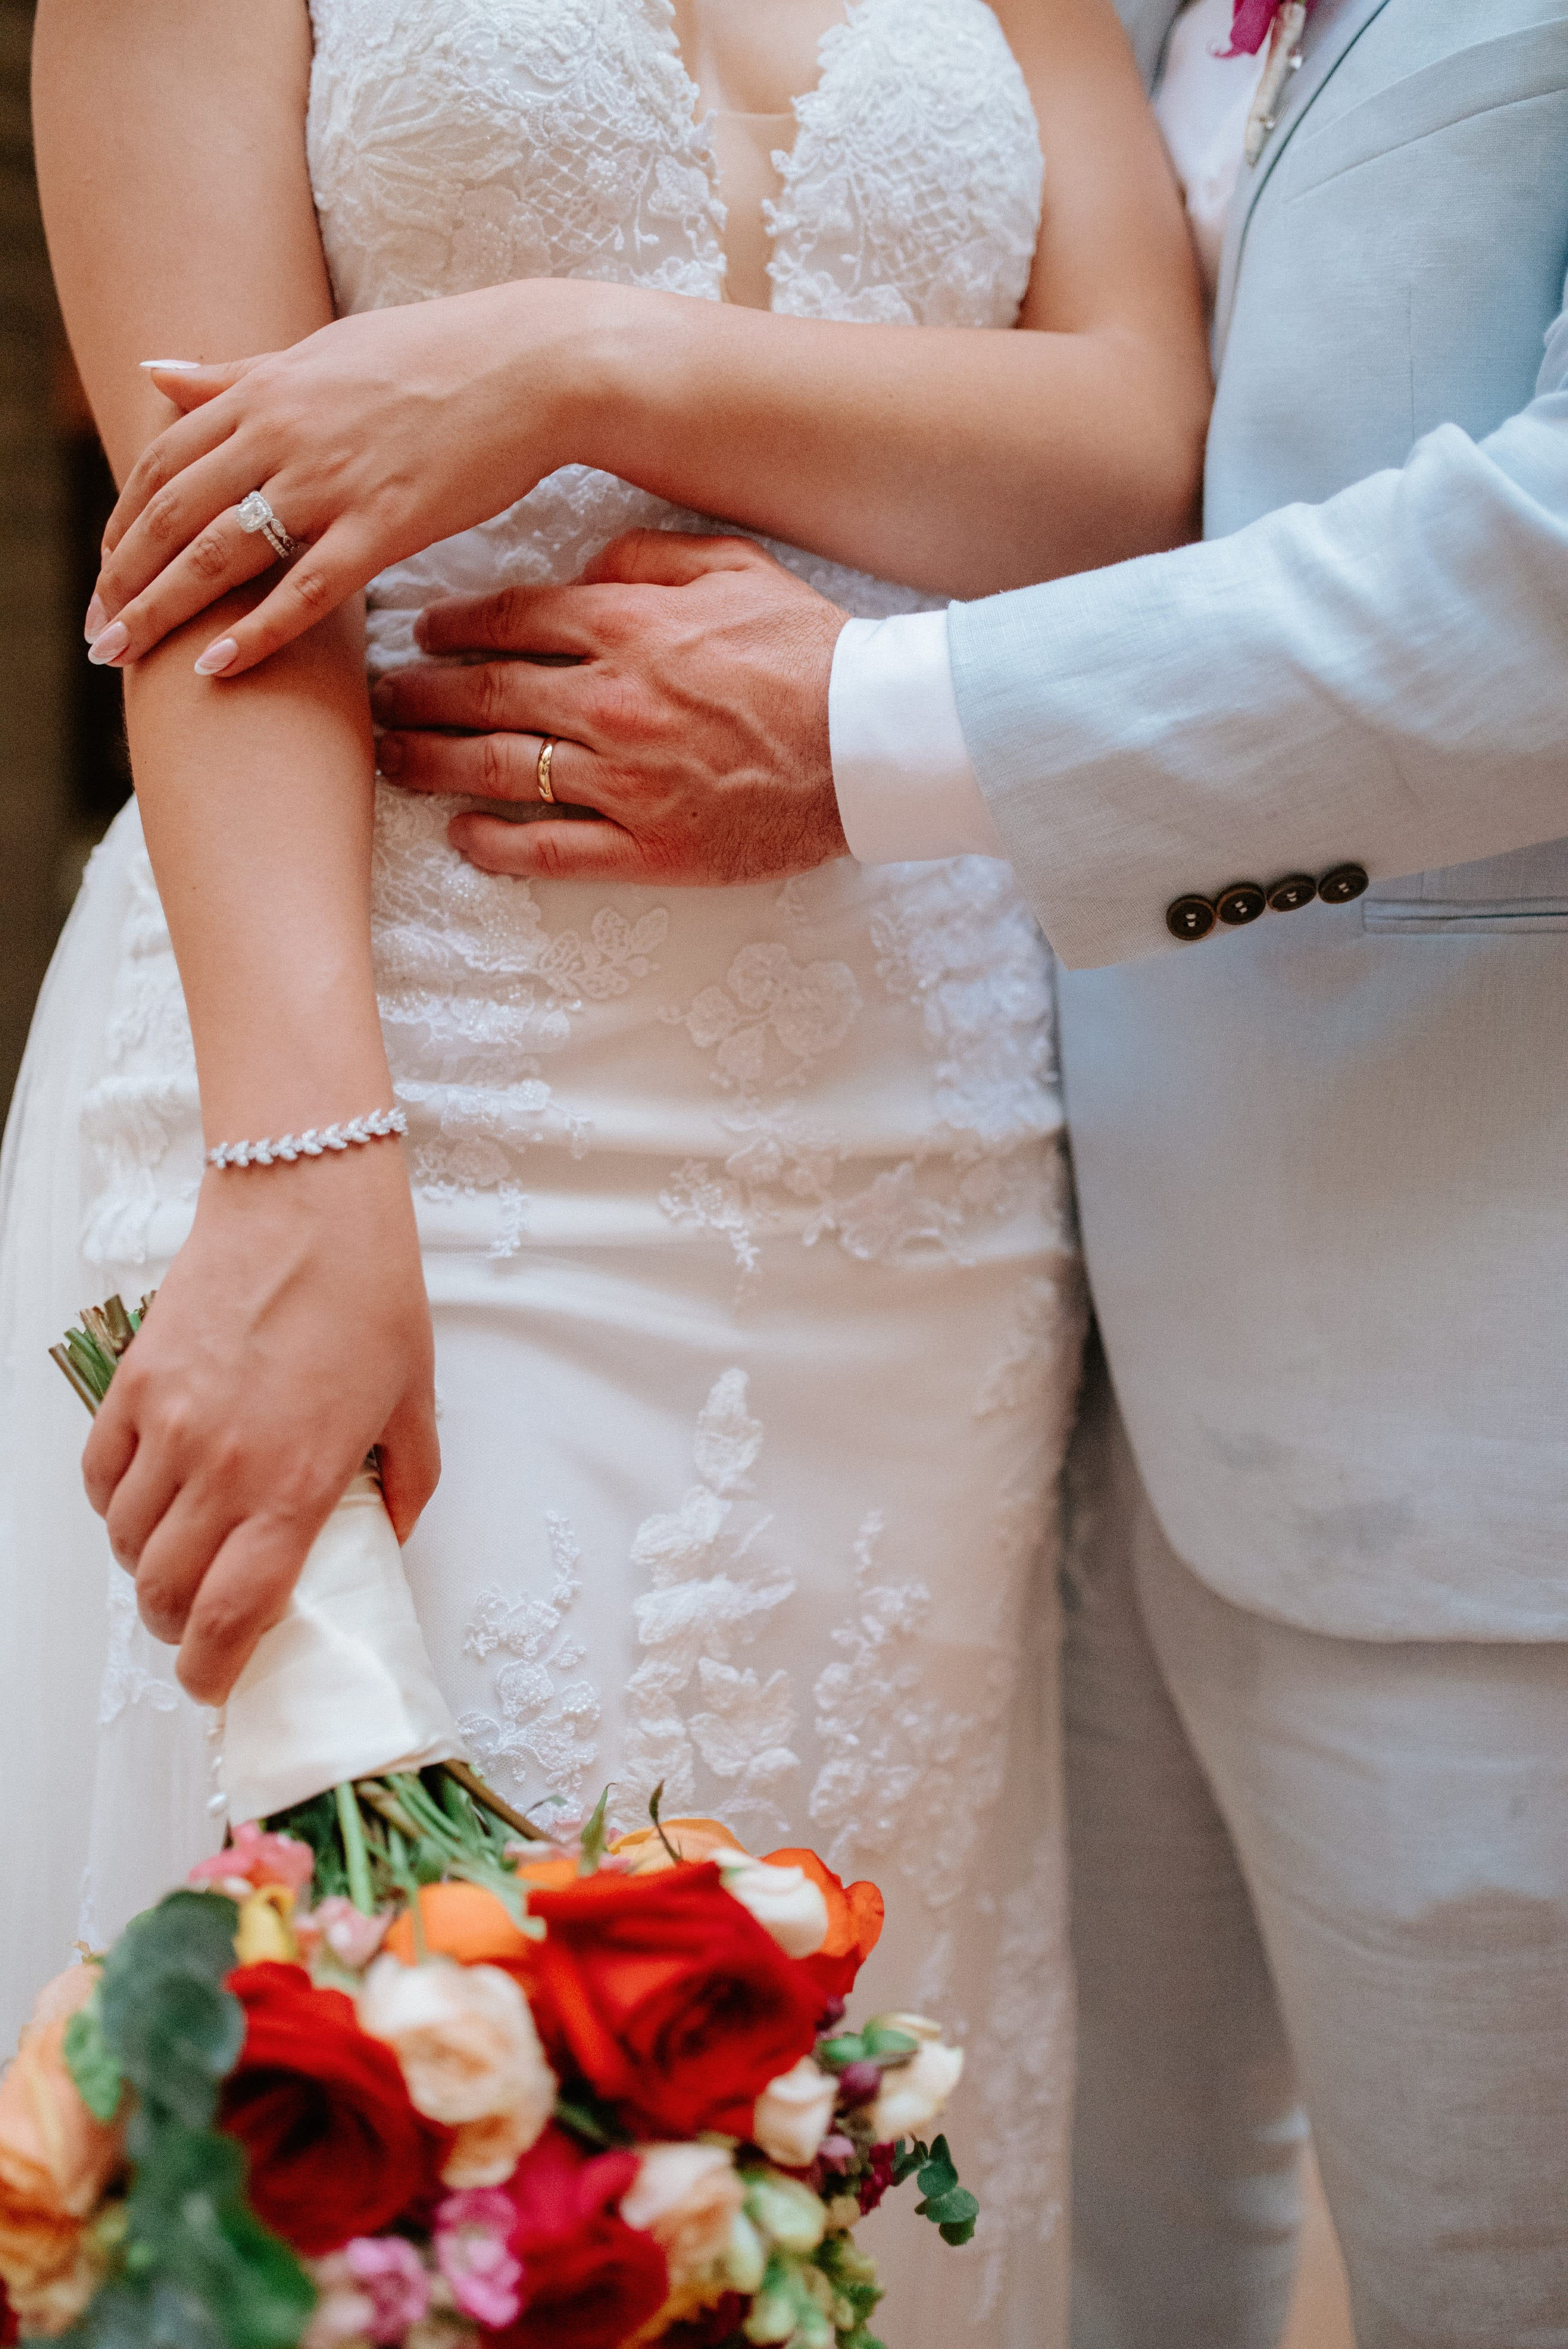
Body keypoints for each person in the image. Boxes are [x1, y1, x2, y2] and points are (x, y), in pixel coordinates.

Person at [107, 2, 1568, 2343]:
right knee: (402, 2093)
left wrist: (587, 366)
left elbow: (1151, 453)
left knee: (870, 2116)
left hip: (940, 1163)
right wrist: (301, 1149)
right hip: (432, 1097)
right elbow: (205, 548)